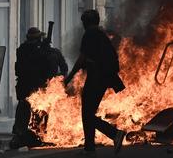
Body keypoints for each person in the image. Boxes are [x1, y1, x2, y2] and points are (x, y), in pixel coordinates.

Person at [64, 10, 126, 156]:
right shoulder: (100, 34)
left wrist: (70, 77)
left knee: (87, 113)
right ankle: (89, 147)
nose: (83, 25)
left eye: (83, 22)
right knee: (88, 112)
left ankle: (114, 133)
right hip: (101, 77)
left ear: (86, 22)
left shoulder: (90, 34)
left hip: (97, 78)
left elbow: (82, 58)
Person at [11, 27, 50, 148]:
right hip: (34, 86)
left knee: (23, 110)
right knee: (37, 111)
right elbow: (44, 67)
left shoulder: (22, 49)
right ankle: (35, 134)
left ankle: (20, 134)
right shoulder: (37, 50)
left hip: (25, 85)